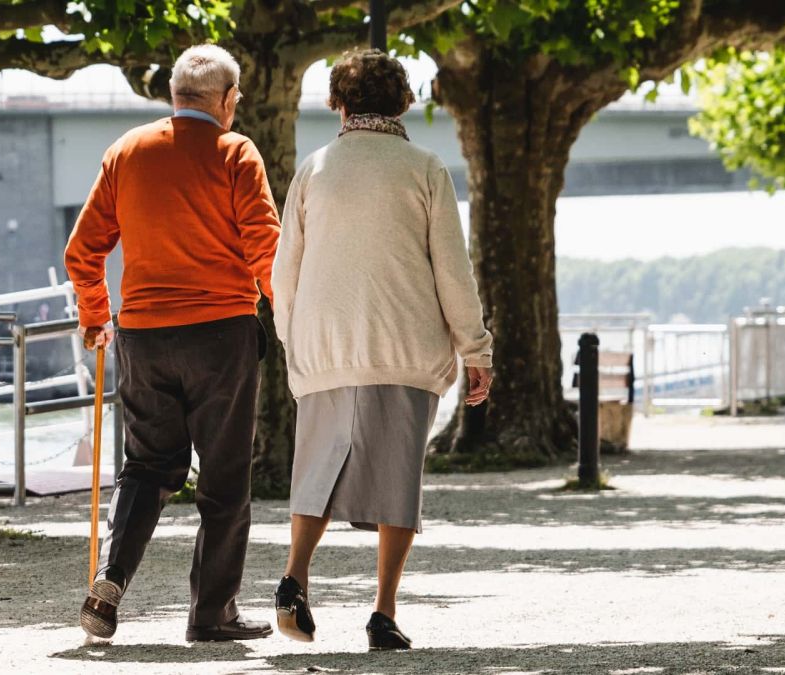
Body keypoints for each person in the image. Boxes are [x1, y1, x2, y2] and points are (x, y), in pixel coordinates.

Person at [270, 49, 494, 650]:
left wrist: (296, 340)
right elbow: (453, 270)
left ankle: (295, 576)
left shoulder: (314, 169)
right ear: (403, 102)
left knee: (317, 469)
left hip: (326, 347)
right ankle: (383, 613)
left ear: (338, 103)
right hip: (403, 345)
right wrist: (476, 350)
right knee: (398, 481)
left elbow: (283, 272)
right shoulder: (424, 168)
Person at [65, 43, 280, 643]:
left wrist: (95, 315)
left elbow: (82, 252)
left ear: (173, 95)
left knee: (148, 467)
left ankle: (111, 577)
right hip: (221, 336)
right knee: (225, 475)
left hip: (144, 337)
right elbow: (265, 249)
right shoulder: (236, 152)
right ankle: (212, 614)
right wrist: (289, 316)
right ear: (230, 100)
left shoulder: (127, 151)